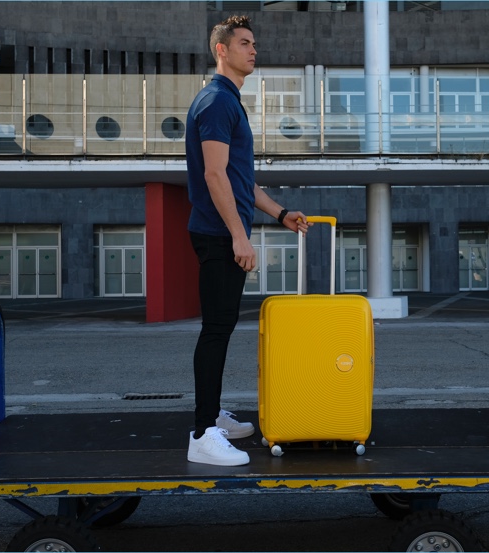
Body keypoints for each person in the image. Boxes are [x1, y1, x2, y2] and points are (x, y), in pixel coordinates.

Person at [185, 15, 311, 466]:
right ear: (222, 50)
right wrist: (239, 235)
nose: (253, 50)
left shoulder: (227, 102)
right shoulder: (217, 101)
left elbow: (240, 181)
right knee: (216, 330)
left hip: (223, 231)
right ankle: (202, 434)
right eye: (244, 43)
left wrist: (279, 213)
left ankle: (210, 414)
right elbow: (214, 174)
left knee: (221, 328)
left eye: (254, 43)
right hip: (219, 235)